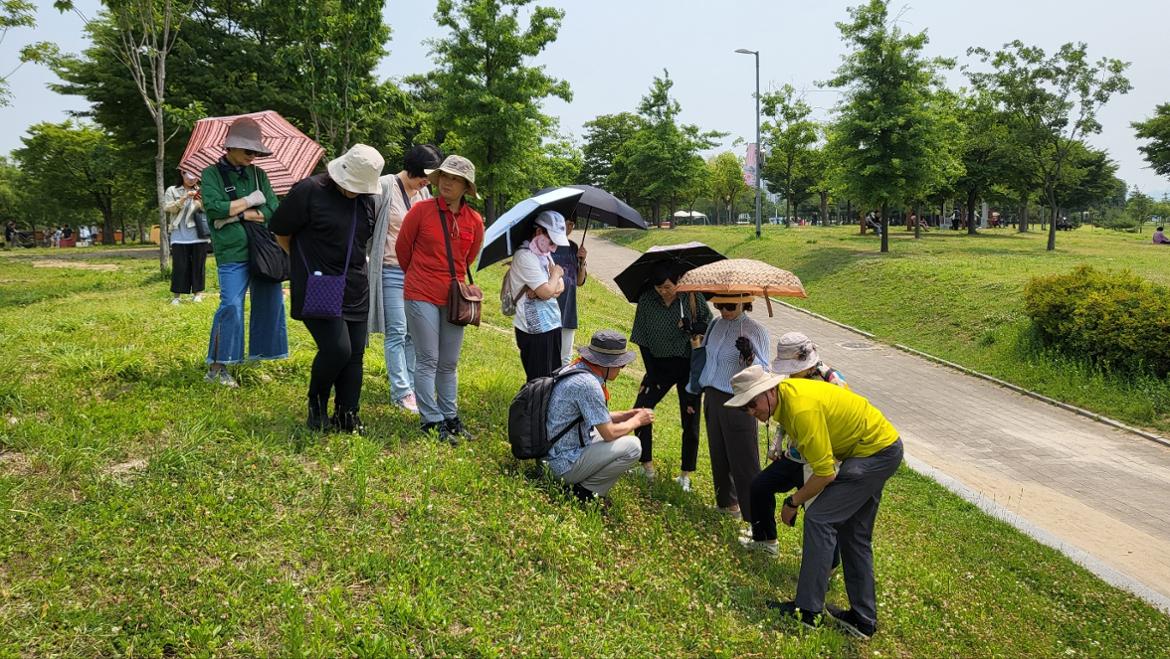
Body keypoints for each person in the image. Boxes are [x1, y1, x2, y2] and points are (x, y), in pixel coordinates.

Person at [729, 365, 903, 639]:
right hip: (879, 448)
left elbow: (825, 473)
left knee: (820, 518)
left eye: (752, 403)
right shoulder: (785, 398)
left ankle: (808, 612)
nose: (751, 412)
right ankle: (863, 621)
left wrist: (793, 501)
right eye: (744, 409)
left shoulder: (800, 409)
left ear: (770, 391)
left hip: (874, 453)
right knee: (854, 533)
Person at [271, 144, 383, 433]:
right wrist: (304, 265)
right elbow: (282, 231)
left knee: (355, 353)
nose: (355, 191)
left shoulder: (366, 201)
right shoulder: (309, 190)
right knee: (336, 349)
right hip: (318, 285)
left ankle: (348, 414)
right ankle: (316, 404)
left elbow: (361, 243)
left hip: (355, 285)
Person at [397, 155, 484, 445]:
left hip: (454, 297)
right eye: (444, 175)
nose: (447, 181)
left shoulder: (474, 220)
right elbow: (403, 251)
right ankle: (431, 420)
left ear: (466, 187)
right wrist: (422, 275)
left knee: (449, 362)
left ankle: (450, 416)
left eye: (455, 178)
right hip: (421, 291)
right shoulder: (421, 210)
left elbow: (468, 257)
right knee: (428, 359)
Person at [742, 332, 848, 556]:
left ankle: (827, 566)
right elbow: (785, 414)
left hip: (821, 459)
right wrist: (777, 443)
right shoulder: (790, 380)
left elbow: (840, 421)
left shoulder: (832, 381)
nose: (788, 370)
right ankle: (765, 541)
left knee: (818, 514)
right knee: (760, 486)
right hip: (795, 454)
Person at [200, 116, 287, 388]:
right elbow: (214, 208)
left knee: (270, 303)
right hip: (232, 251)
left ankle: (257, 358)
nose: (253, 156)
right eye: (249, 151)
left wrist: (237, 213)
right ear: (231, 147)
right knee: (231, 306)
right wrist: (250, 202)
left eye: (256, 151)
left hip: (263, 250)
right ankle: (218, 367)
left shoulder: (259, 174)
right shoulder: (210, 174)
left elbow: (273, 210)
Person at [368, 144, 444, 414]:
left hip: (416, 273)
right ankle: (400, 391)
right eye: (426, 174)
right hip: (389, 269)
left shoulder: (423, 192)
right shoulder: (384, 186)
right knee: (397, 331)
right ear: (413, 167)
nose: (428, 181)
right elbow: (367, 227)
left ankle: (412, 385)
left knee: (415, 333)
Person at [628, 263, 711, 491]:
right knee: (640, 409)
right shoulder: (646, 300)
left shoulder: (692, 297)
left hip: (688, 366)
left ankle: (685, 475)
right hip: (659, 365)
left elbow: (709, 326)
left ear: (678, 282)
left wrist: (692, 327)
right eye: (659, 288)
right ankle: (646, 467)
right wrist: (651, 373)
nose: (663, 292)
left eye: (667, 287)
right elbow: (641, 338)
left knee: (690, 419)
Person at [545, 330, 653, 503]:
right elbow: (608, 432)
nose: (621, 369)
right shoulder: (589, 385)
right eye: (621, 364)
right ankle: (586, 494)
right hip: (560, 464)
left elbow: (594, 416)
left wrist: (626, 415)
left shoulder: (576, 368)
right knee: (633, 446)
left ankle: (583, 488)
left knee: (608, 436)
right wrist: (637, 421)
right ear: (607, 363)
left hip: (550, 453)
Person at [696, 292, 771, 522]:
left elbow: (764, 370)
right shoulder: (716, 324)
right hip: (713, 396)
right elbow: (708, 356)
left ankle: (754, 520)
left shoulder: (755, 330)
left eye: (729, 306)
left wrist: (749, 356)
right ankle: (727, 506)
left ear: (743, 302)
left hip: (739, 401)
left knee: (744, 461)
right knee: (719, 454)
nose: (724, 311)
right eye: (719, 305)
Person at [510, 210, 568, 381]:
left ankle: (546, 408)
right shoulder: (525, 256)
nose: (554, 246)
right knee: (538, 382)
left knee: (552, 378)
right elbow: (549, 290)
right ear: (539, 232)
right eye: (551, 240)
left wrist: (550, 286)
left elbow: (559, 289)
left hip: (551, 323)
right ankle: (533, 408)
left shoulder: (544, 253)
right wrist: (556, 274)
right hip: (535, 330)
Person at [164, 169, 211, 305]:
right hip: (179, 234)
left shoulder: (202, 191)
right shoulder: (172, 190)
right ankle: (176, 296)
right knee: (179, 266)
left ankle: (198, 294)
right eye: (189, 176)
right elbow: (168, 208)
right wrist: (184, 198)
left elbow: (209, 209)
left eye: (195, 177)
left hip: (199, 234)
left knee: (199, 265)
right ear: (182, 174)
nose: (191, 180)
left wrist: (200, 201)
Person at [550, 217, 588, 367]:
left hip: (567, 308)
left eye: (572, 224)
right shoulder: (545, 244)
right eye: (566, 222)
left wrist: (582, 261)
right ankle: (542, 388)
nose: (569, 227)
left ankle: (559, 390)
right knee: (546, 353)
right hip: (547, 307)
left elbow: (579, 281)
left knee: (565, 359)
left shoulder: (573, 247)